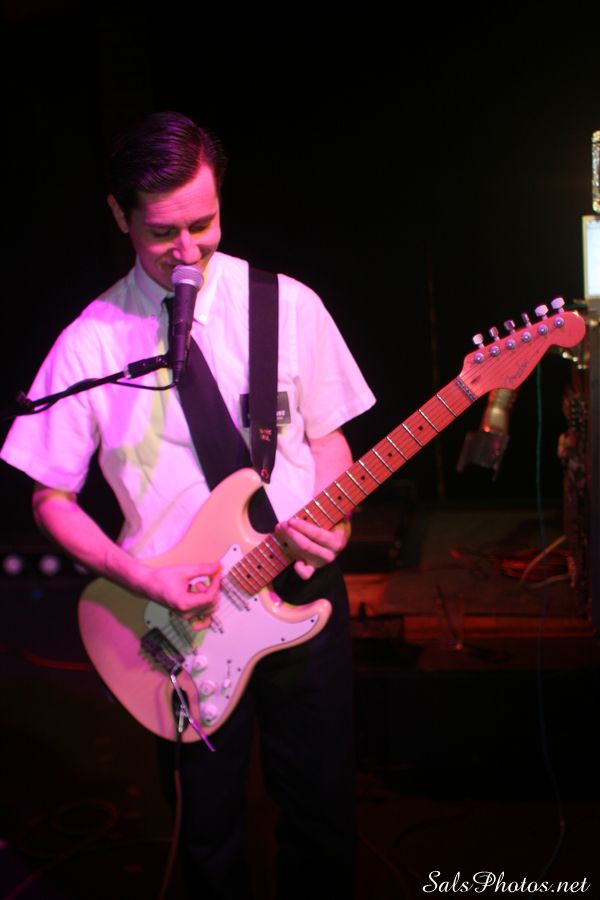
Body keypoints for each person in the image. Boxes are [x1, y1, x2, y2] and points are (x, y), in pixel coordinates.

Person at [0, 110, 375, 899]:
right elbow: (50, 497)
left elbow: (330, 438)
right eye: (162, 232)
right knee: (205, 837)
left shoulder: (288, 306)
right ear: (119, 215)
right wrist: (141, 578)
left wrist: (331, 518)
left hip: (299, 589)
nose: (188, 251)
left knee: (323, 815)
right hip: (178, 622)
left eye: (203, 225)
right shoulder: (91, 342)